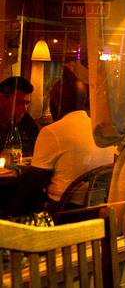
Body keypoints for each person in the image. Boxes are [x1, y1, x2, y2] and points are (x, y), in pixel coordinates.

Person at [7, 69, 116, 215]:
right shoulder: (101, 131)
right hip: (98, 210)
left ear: (56, 102)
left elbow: (34, 185)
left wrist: (8, 214)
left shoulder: (52, 132)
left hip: (63, 212)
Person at [0, 76, 39, 157]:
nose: (24, 109)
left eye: (27, 103)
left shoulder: (28, 123)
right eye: (19, 103)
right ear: (2, 99)